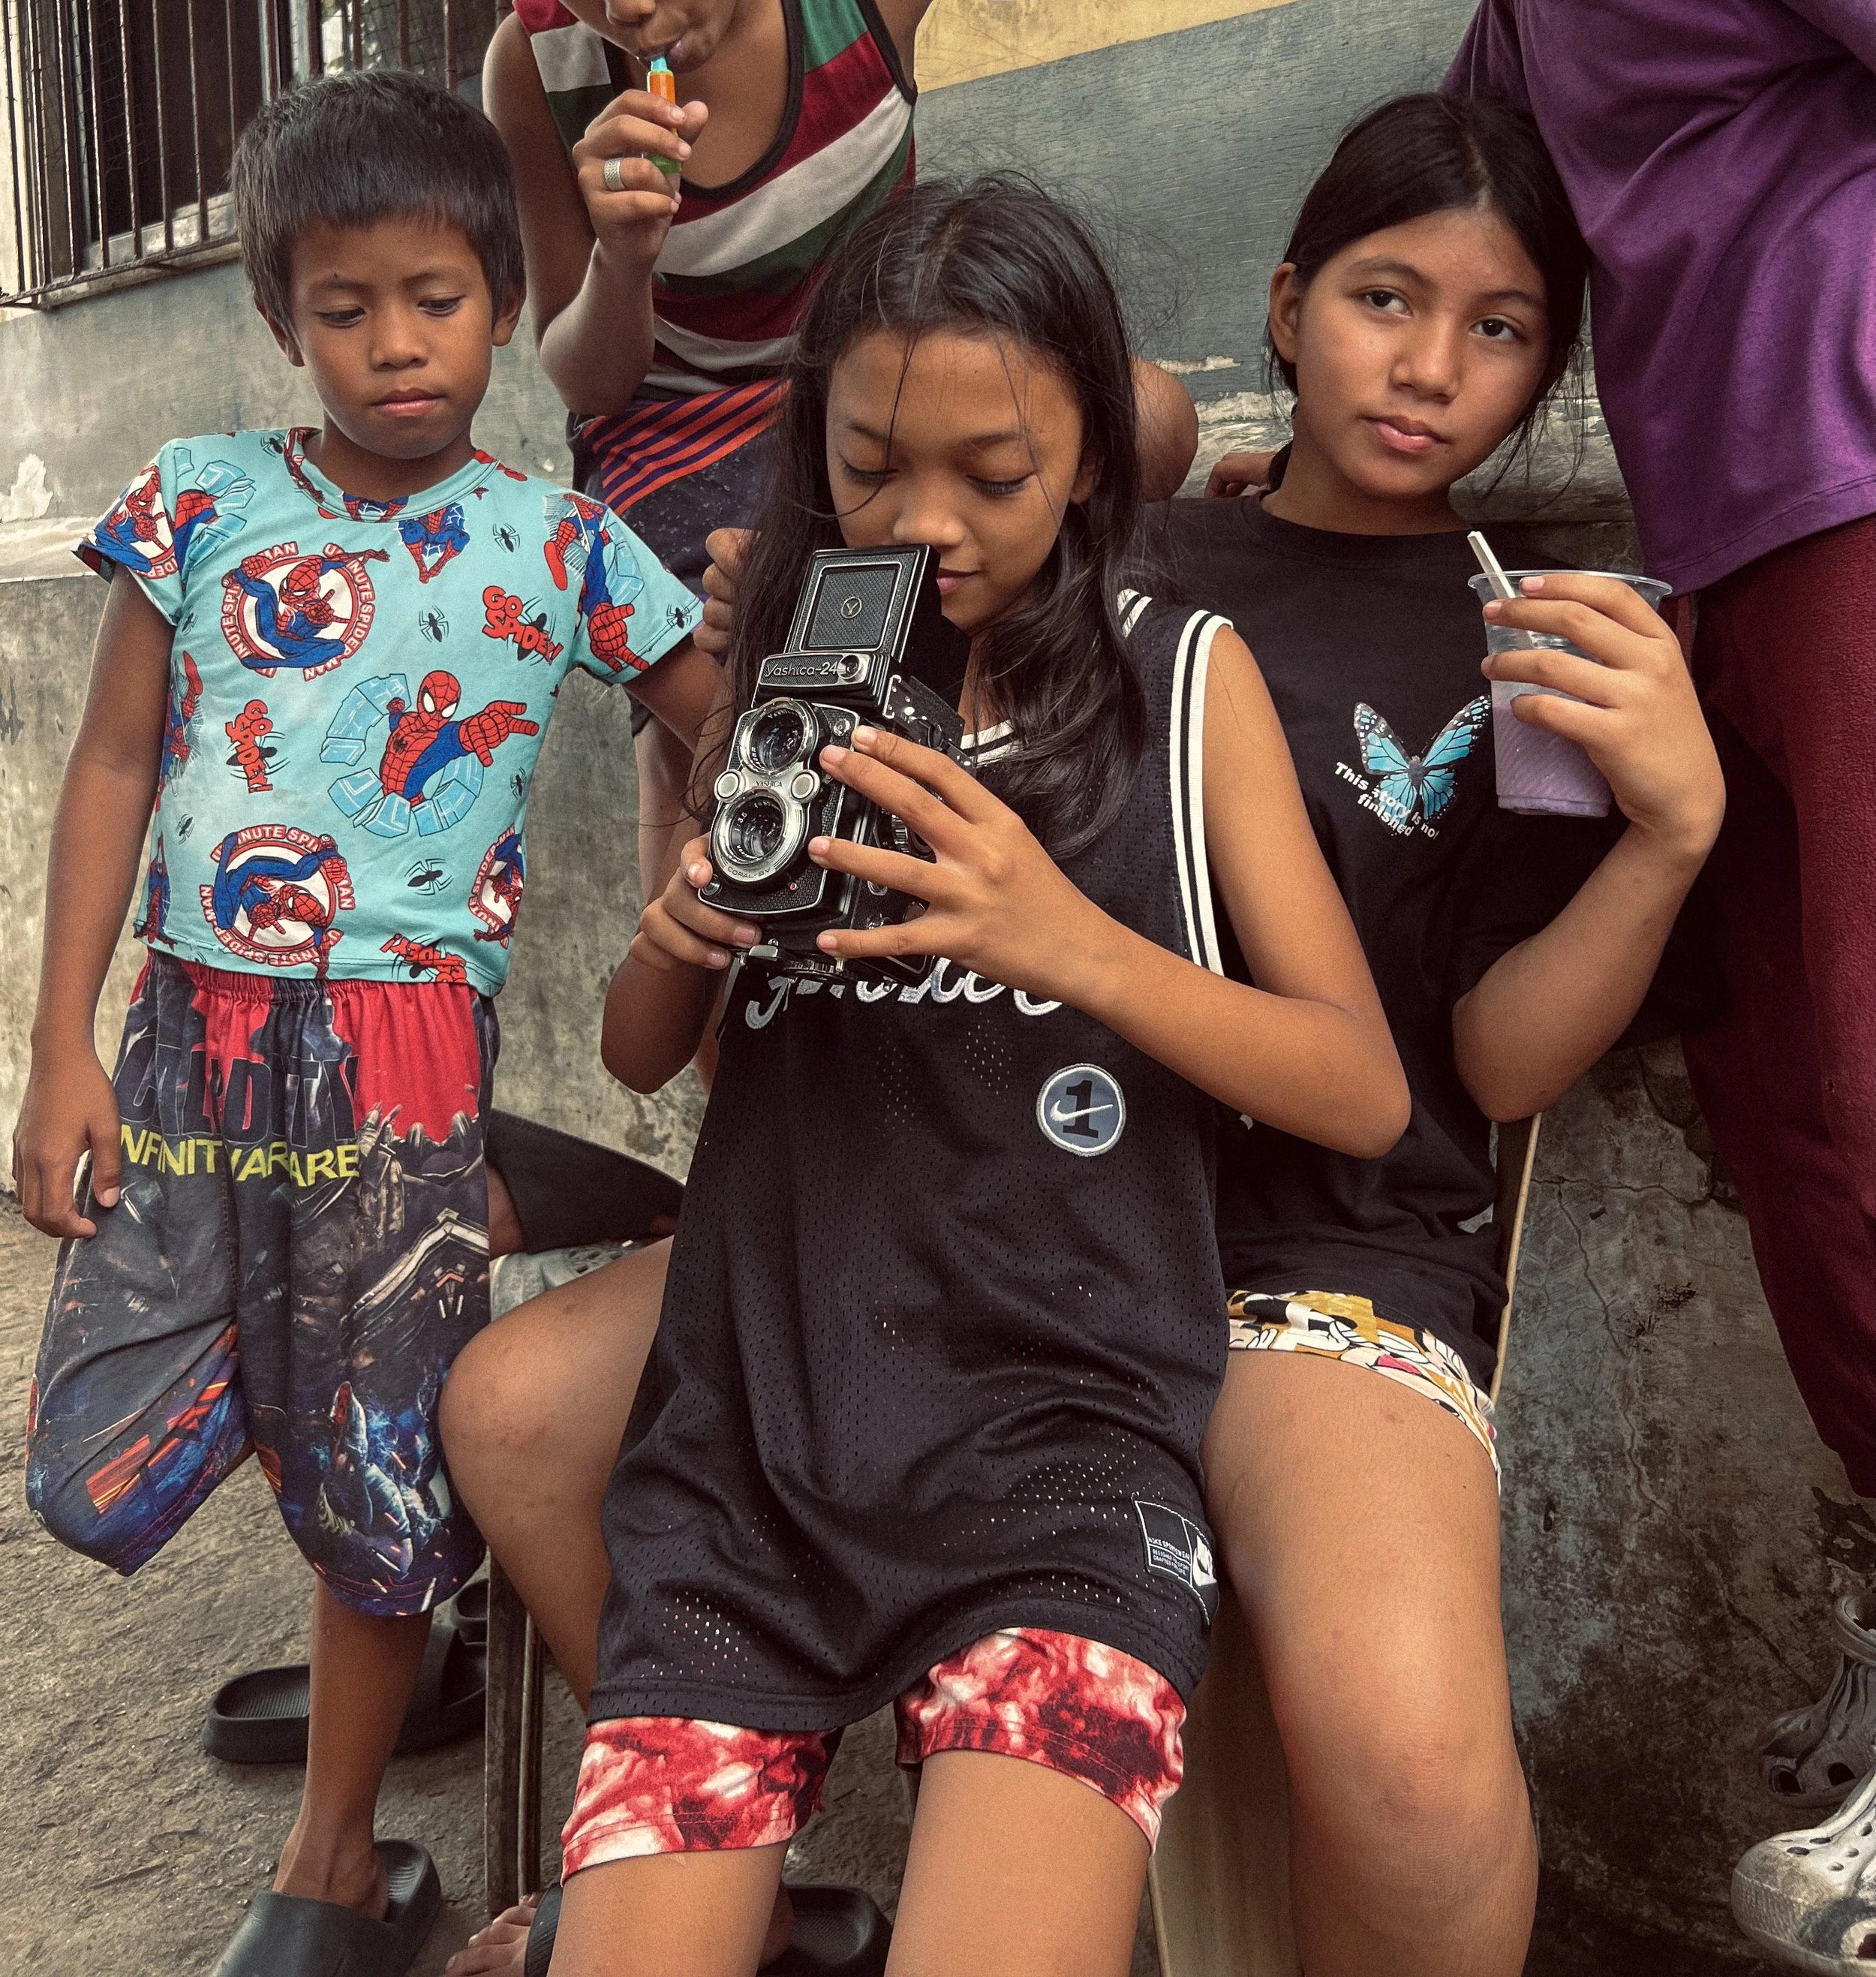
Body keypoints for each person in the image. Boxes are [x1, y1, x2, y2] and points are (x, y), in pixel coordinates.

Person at [1169, 0, 1876, 1954]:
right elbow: (1474, 231)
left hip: (1859, 512)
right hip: (1731, 571)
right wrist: (1298, 433)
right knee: (1794, 1094)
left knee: (1875, 1085)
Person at [440, 172, 1409, 1977]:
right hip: (753, 1446)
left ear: (1091, 471)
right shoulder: (793, 685)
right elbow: (671, 1053)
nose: (925, 522)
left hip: (1060, 1448)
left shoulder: (1176, 683)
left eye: (997, 474)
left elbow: (1357, 1088)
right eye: (870, 463)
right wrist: (687, 895)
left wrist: (1064, 937)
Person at [12, 71, 717, 1977]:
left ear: (505, 301)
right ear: (278, 316)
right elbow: (114, 762)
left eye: (436, 298)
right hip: (193, 1039)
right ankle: (417, 1629)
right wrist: (61, 1043)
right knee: (139, 1421)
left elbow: (723, 704)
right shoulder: (198, 500)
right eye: (345, 307)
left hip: (404, 1054)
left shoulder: (559, 542)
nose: (397, 346)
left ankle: (333, 1865)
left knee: (367, 1459)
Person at [398, 0, 1326, 910]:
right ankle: (720, 896)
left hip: (878, 401)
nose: (625, 2)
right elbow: (590, 385)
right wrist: (623, 260)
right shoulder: (534, 68)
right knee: (732, 629)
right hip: (683, 448)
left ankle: (1013, 771)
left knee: (1150, 421)